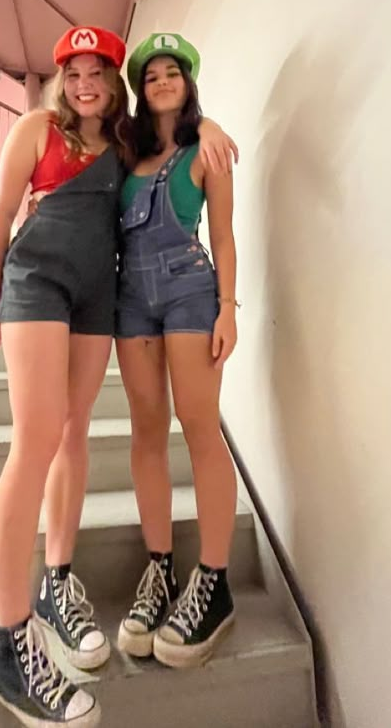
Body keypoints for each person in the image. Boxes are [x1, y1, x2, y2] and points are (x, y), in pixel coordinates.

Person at [0, 26, 236, 727]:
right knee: (33, 442)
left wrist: (205, 119)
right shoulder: (35, 127)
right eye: (74, 73)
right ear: (61, 80)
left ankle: (58, 581)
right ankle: (10, 639)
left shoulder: (125, 144)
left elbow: (173, 135)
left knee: (74, 430)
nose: (86, 83)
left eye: (100, 73)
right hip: (39, 283)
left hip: (102, 297)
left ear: (114, 83)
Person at [115, 33, 239, 669]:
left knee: (198, 426)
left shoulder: (206, 149)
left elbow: (222, 234)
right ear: (141, 87)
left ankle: (213, 581)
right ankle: (160, 568)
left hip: (191, 292)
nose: (163, 80)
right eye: (153, 74)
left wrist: (227, 308)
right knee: (145, 431)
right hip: (130, 299)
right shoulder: (125, 151)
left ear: (189, 82)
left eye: (174, 72)